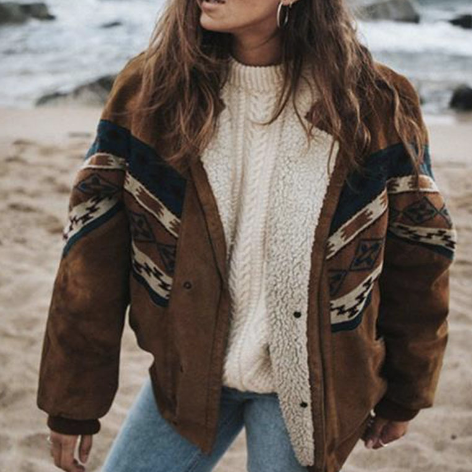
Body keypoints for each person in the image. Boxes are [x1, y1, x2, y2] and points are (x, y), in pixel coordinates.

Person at [36, 0, 457, 471]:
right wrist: (72, 402)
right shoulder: (151, 92)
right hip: (188, 376)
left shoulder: (374, 102)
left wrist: (407, 391)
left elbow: (420, 254)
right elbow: (91, 253)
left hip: (308, 390)